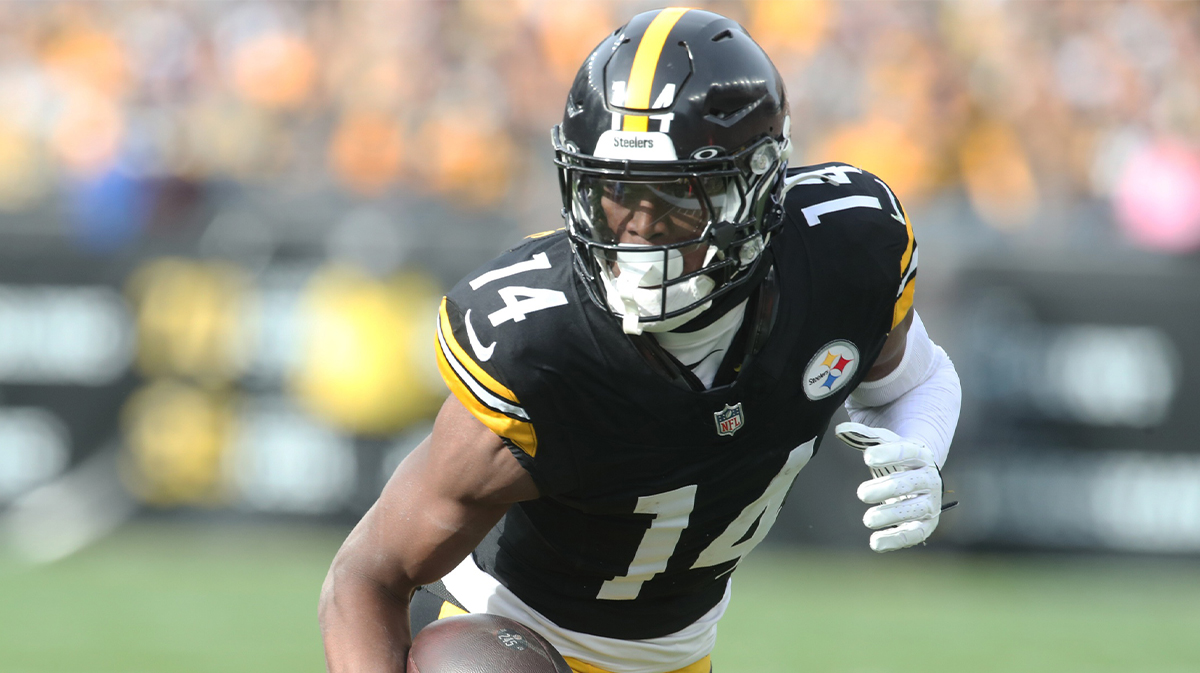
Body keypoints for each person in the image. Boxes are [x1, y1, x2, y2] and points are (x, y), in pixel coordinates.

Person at [319, 8, 961, 673]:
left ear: (759, 185)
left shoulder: (840, 254)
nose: (640, 229)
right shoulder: (544, 348)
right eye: (618, 191)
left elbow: (917, 379)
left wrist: (921, 445)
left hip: (678, 657)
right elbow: (364, 577)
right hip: (508, 636)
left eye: (680, 194)